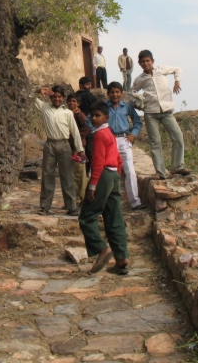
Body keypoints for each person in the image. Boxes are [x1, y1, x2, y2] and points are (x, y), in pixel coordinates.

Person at [79, 101, 130, 275]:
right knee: (114, 217)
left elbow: (98, 162)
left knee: (86, 216)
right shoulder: (110, 133)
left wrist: (92, 186)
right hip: (113, 175)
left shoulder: (100, 135)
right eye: (92, 115)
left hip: (103, 176)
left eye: (97, 115)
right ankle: (122, 258)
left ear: (106, 117)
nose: (93, 118)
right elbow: (118, 160)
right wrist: (116, 178)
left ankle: (102, 248)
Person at [131, 50, 188, 179]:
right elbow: (132, 91)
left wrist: (177, 81)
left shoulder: (161, 69)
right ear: (140, 64)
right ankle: (160, 172)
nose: (146, 63)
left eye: (148, 61)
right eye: (143, 61)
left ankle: (177, 167)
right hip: (150, 112)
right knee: (155, 142)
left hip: (166, 110)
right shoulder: (140, 79)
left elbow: (177, 69)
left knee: (178, 137)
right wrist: (138, 102)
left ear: (152, 61)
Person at [33, 85, 85, 216]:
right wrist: (38, 91)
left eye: (59, 97)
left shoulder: (67, 113)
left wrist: (80, 149)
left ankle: (71, 206)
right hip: (50, 144)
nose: (57, 99)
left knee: (67, 176)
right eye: (54, 96)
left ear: (63, 98)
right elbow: (30, 98)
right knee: (47, 175)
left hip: (64, 144)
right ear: (50, 97)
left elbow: (75, 131)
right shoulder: (44, 108)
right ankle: (45, 206)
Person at [106, 82, 144, 209]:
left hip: (124, 139)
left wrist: (133, 134)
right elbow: (91, 120)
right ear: (108, 94)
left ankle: (135, 202)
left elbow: (137, 122)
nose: (115, 94)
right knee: (109, 171)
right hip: (109, 141)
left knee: (130, 171)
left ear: (121, 93)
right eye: (112, 92)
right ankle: (109, 204)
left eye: (117, 92)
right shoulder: (104, 107)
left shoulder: (126, 107)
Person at [67, 93, 90, 204]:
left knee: (79, 172)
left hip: (79, 147)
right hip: (71, 146)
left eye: (74, 101)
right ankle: (76, 196)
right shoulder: (69, 114)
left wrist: (78, 138)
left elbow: (87, 126)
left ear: (78, 103)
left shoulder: (79, 115)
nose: (72, 103)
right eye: (70, 101)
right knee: (73, 172)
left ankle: (81, 197)